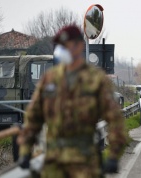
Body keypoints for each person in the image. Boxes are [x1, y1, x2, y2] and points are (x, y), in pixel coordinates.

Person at [17, 25, 126, 178]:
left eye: (65, 45)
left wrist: (113, 155)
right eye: (59, 46)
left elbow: (115, 119)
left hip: (86, 163)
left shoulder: (95, 80)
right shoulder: (49, 79)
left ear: (79, 46)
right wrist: (25, 151)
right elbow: (33, 117)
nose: (61, 50)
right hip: (54, 163)